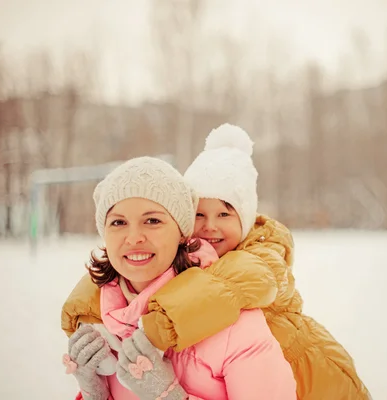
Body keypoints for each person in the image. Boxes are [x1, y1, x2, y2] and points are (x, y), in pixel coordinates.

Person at [140, 124, 371, 399]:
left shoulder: (262, 255)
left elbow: (224, 286)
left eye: (225, 215)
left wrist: (152, 330)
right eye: (199, 215)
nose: (210, 226)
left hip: (311, 376)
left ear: (246, 219)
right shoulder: (184, 257)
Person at [60, 156, 297, 399]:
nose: (133, 237)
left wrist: (170, 395)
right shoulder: (100, 323)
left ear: (183, 233)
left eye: (152, 220)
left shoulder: (236, 325)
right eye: (118, 222)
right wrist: (94, 393)